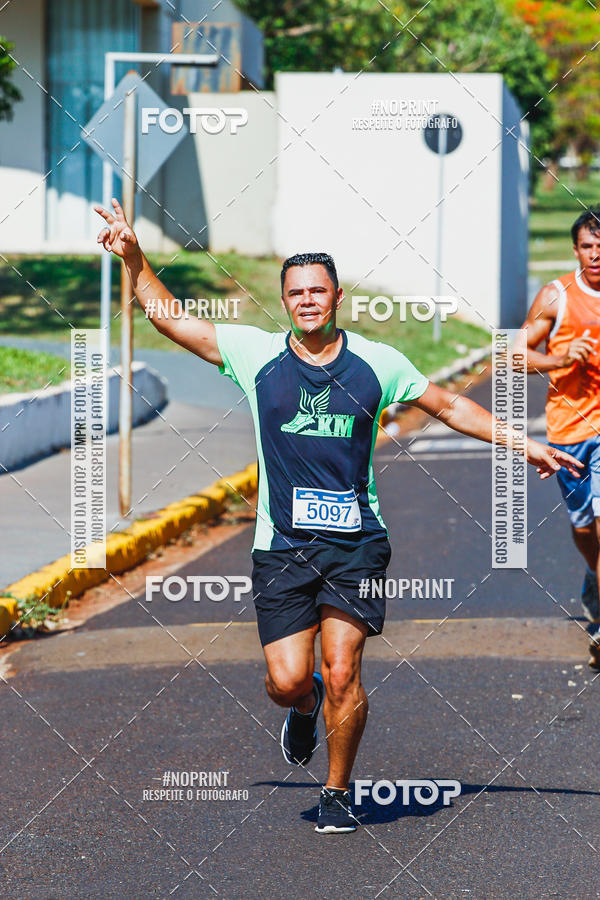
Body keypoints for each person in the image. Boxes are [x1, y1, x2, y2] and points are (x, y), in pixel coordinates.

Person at [96, 198, 580, 833]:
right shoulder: (257, 355)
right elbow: (173, 320)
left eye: (317, 291)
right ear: (285, 301)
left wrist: (525, 443)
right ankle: (303, 706)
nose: (306, 302)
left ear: (337, 296)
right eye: (295, 293)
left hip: (357, 547)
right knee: (287, 678)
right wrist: (134, 257)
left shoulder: (377, 362)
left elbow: (450, 408)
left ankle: (337, 790)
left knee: (344, 667)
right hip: (282, 547)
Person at [521, 206, 600, 669]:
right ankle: (594, 574)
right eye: (587, 247)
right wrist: (560, 357)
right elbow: (513, 354)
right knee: (584, 525)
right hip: (569, 430)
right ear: (576, 251)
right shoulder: (557, 296)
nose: (595, 255)